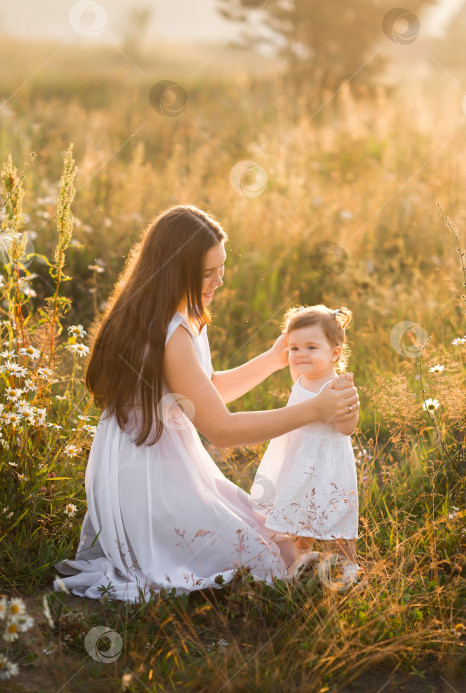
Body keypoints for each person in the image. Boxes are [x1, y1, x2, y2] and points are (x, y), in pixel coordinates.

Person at [53, 206, 360, 602]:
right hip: (145, 478)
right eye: (207, 273)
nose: (220, 280)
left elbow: (205, 390)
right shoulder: (171, 331)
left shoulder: (175, 312)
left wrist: (270, 360)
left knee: (268, 532)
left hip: (156, 459)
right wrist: (315, 410)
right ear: (174, 271)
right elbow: (221, 430)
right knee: (262, 554)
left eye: (222, 267)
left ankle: (318, 570)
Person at [250, 304, 360, 584]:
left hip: (327, 464)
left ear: (335, 354)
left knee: (336, 519)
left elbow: (347, 429)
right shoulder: (299, 377)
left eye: (311, 347)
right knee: (299, 513)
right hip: (297, 459)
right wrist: (290, 344)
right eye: (294, 348)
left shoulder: (337, 386)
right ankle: (300, 564)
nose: (300, 355)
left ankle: (349, 570)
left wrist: (350, 405)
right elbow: (294, 359)